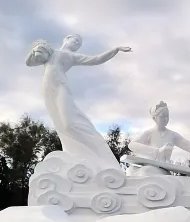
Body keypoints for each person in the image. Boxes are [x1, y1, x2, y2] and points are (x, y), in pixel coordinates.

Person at [25, 35, 132, 169]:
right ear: (66, 39)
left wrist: (115, 50)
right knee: (60, 125)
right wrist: (35, 49)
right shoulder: (50, 52)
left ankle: (96, 148)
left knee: (68, 124)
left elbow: (96, 59)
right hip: (47, 89)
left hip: (61, 87)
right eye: (75, 40)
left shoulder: (71, 56)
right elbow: (29, 63)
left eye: (79, 43)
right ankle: (72, 154)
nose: (76, 43)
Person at [128, 101, 190, 175]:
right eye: (162, 116)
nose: (165, 119)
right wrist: (156, 151)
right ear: (154, 118)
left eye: (167, 116)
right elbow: (131, 145)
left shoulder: (172, 135)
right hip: (151, 167)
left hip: (164, 170)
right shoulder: (149, 133)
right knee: (146, 171)